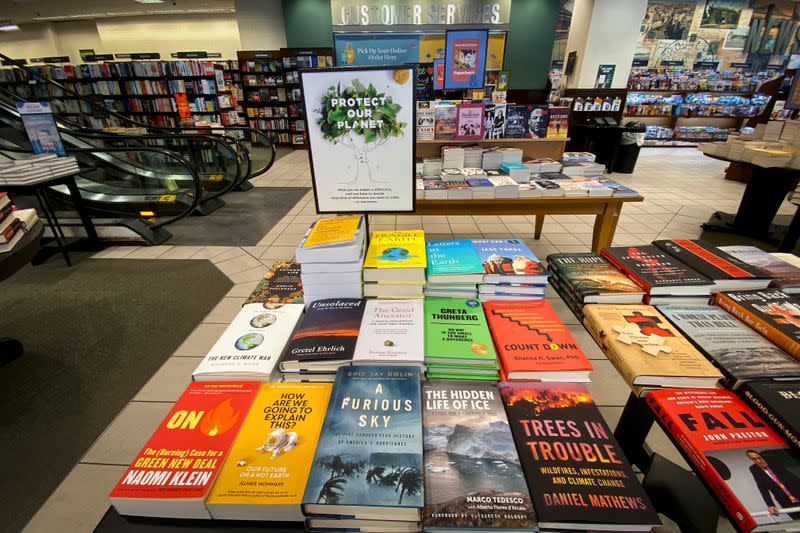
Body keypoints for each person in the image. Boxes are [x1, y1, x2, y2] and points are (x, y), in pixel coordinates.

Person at [747, 450, 800, 519]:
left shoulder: (774, 463)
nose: (758, 461)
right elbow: (762, 488)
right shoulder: (754, 469)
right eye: (754, 459)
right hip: (785, 501)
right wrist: (770, 505)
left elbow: (792, 477)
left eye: (759, 458)